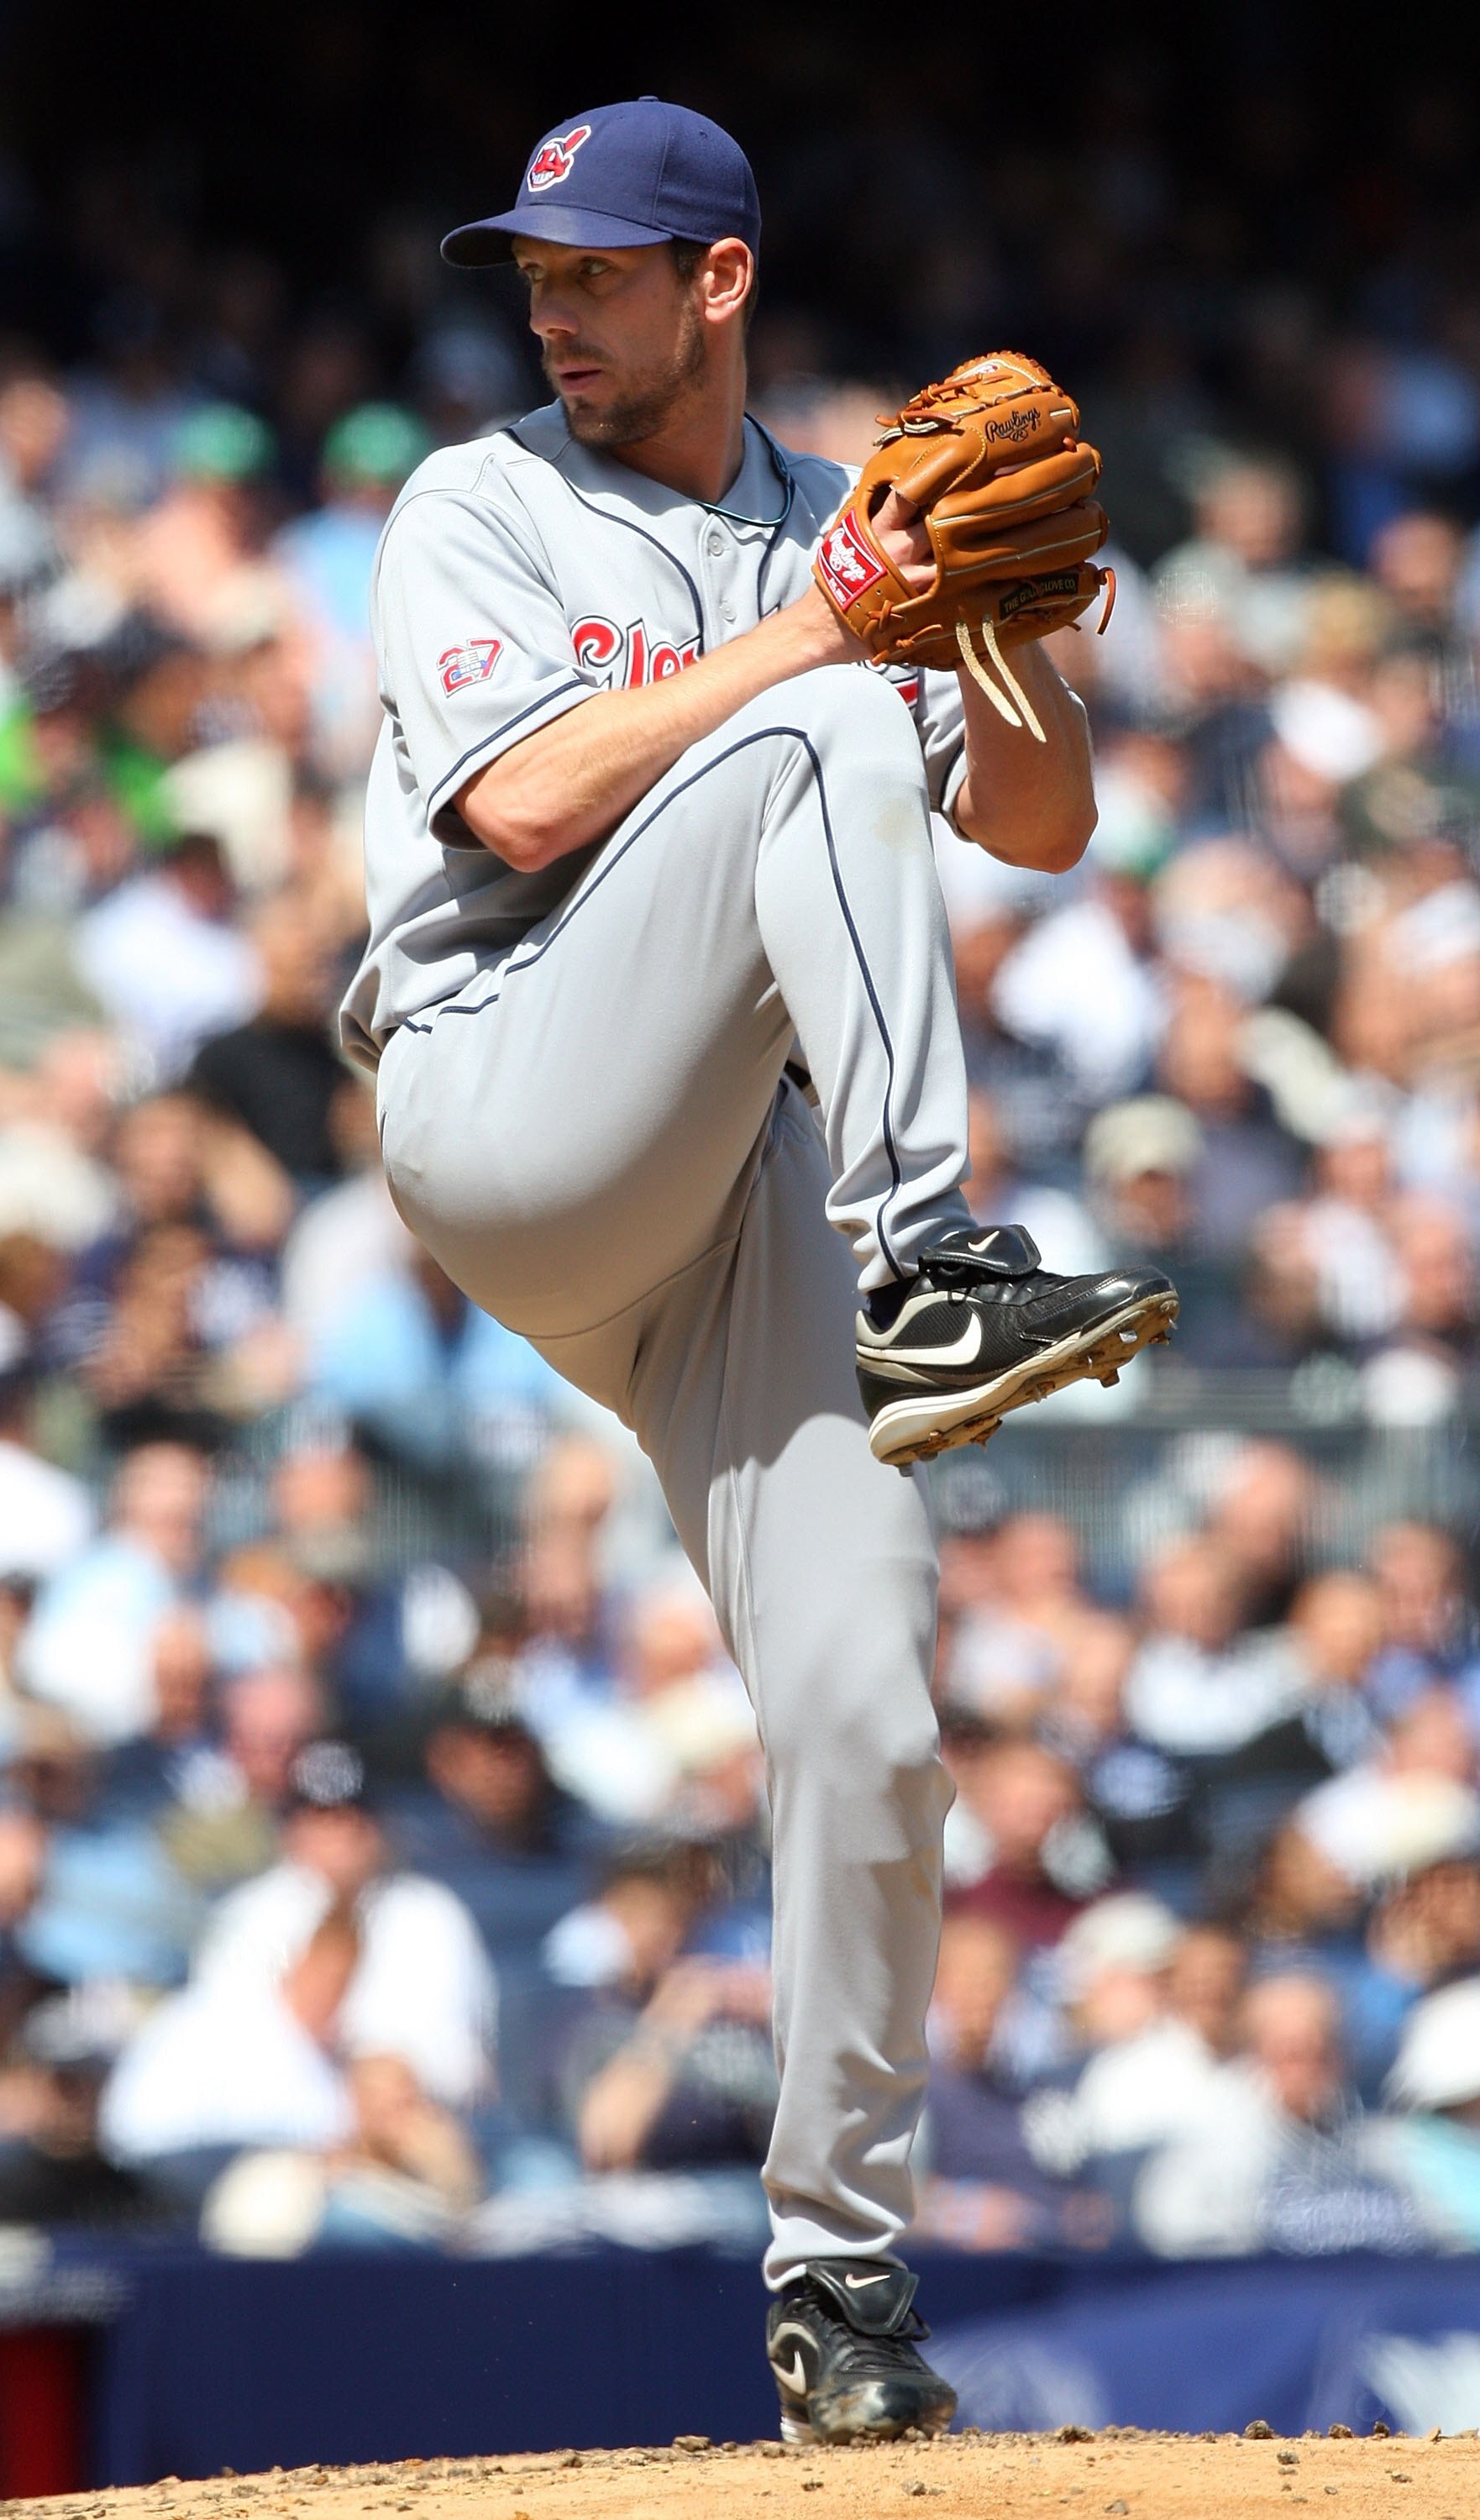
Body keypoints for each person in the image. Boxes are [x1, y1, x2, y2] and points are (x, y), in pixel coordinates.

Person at [339, 97, 1177, 2444]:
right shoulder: (479, 502)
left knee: (869, 1718)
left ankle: (839, 2283)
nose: (552, 309)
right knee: (809, 724)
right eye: (536, 272)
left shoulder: (844, 521)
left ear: (719, 278)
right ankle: (934, 1260)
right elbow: (519, 804)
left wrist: (994, 637)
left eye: (597, 271)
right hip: (516, 1090)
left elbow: (1040, 826)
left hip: (742, 1198)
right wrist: (834, 634)